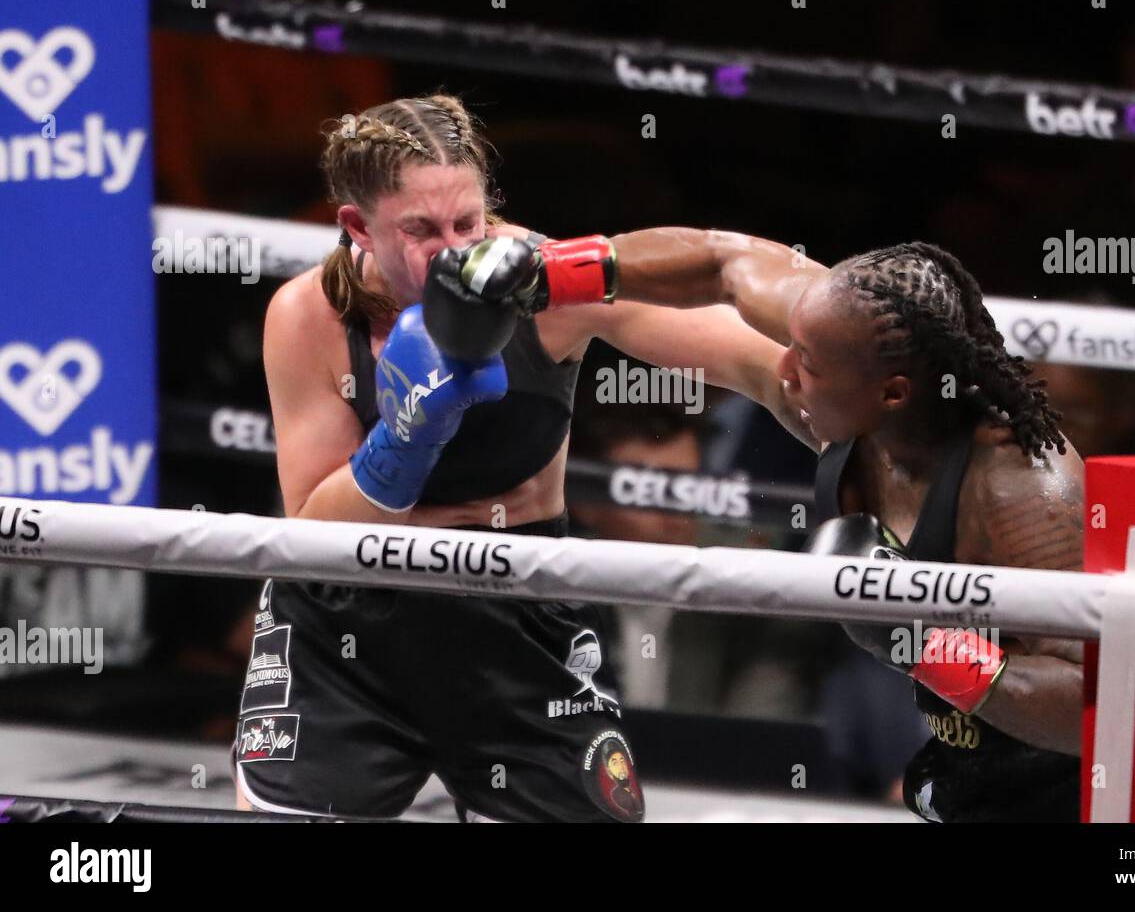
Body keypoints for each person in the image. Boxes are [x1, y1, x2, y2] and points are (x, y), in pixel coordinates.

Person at [233, 94, 807, 822]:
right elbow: (311, 531)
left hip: (516, 616)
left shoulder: (545, 282)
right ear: (359, 227)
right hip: (345, 627)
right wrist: (403, 439)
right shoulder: (308, 315)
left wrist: (845, 420)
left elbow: (756, 364)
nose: (453, 251)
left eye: (467, 224)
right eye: (420, 230)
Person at [498, 229, 1084, 822]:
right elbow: (722, 260)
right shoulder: (847, 326)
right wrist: (552, 270)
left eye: (809, 363)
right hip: (954, 765)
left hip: (1063, 795)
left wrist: (925, 642)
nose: (781, 366)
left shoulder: (1022, 489)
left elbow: (1091, 705)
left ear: (894, 393)